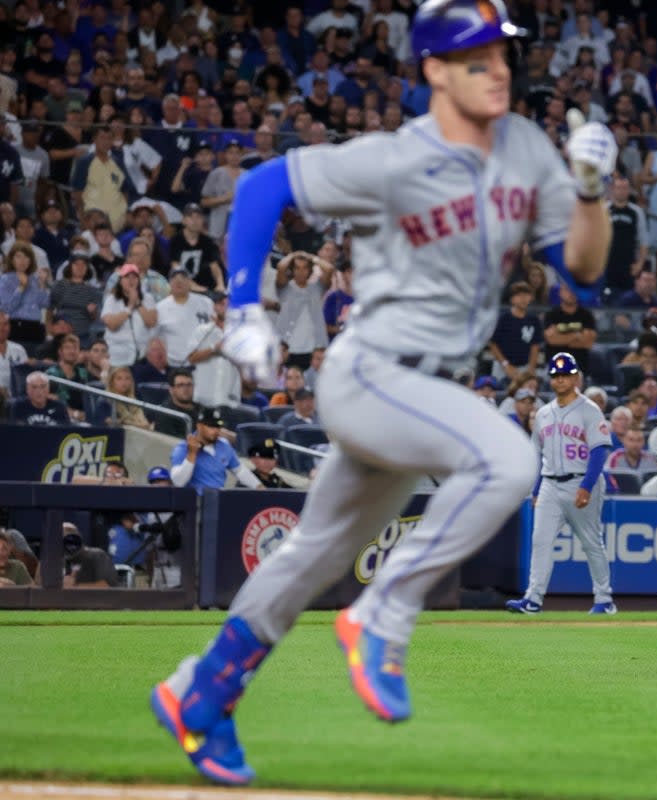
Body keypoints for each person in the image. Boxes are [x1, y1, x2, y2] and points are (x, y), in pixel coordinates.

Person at [150, 1, 617, 786]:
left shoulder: (528, 150)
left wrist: (594, 189)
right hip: (373, 370)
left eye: (502, 55)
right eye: (475, 58)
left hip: (425, 394)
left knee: (313, 555)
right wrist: (245, 309)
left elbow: (584, 273)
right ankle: (383, 615)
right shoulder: (397, 157)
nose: (497, 69)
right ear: (433, 69)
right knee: (506, 457)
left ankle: (200, 692)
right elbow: (266, 187)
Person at [507, 353, 613, 614]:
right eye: (556, 376)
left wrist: (587, 486)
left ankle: (604, 599)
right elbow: (537, 456)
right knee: (540, 541)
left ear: (576, 377)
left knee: (591, 542)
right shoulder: (542, 413)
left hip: (580, 482)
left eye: (566, 375)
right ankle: (533, 599)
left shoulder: (589, 409)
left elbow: (599, 451)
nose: (561, 380)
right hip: (549, 485)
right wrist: (535, 490)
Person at [169, 406, 263, 491]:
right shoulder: (183, 448)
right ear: (199, 426)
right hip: (194, 502)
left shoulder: (224, 445)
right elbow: (178, 482)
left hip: (218, 499)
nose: (216, 431)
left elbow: (239, 470)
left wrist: (259, 487)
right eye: (211, 426)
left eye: (218, 427)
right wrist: (192, 454)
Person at [101, 264, 159, 368]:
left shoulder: (148, 298)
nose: (131, 280)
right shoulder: (111, 300)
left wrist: (138, 303)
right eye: (127, 277)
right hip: (118, 356)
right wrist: (129, 307)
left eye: (134, 277)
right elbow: (112, 325)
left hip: (142, 356)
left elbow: (151, 322)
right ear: (120, 280)